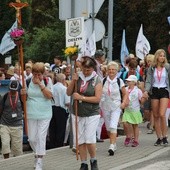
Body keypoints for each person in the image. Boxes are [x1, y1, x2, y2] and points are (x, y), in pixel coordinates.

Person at [67, 56, 102, 170]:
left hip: (92, 112)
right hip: (77, 112)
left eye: (89, 70)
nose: (86, 72)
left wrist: (81, 97)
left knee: (89, 138)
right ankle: (83, 163)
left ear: (93, 69)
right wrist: (73, 80)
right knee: (80, 139)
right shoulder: (78, 77)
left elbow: (97, 98)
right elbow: (68, 93)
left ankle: (93, 160)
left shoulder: (97, 79)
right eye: (84, 70)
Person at [24, 62, 53, 170]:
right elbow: (25, 97)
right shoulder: (27, 82)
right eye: (35, 74)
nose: (36, 76)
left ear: (42, 73)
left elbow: (50, 96)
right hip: (31, 112)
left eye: (39, 74)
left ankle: (40, 160)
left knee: (41, 136)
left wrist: (41, 85)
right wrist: (23, 93)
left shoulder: (47, 81)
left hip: (45, 112)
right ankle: (37, 154)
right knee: (31, 138)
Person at [100, 61, 128, 156]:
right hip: (105, 106)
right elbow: (99, 92)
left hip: (116, 106)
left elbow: (125, 93)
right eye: (110, 69)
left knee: (113, 125)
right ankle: (114, 142)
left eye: (113, 70)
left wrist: (124, 103)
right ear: (107, 71)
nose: (111, 71)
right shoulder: (103, 81)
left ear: (116, 71)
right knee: (108, 127)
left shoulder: (120, 81)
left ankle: (111, 146)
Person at [144, 49, 169, 146]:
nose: (162, 57)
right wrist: (146, 90)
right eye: (160, 55)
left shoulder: (167, 67)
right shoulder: (152, 68)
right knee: (156, 115)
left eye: (163, 56)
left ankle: (165, 136)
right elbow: (149, 80)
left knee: (162, 114)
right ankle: (159, 137)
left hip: (164, 91)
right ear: (157, 57)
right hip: (154, 91)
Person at [0, 80, 23, 159]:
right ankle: (7, 161)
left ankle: (16, 163)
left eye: (14, 90)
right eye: (11, 89)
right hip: (4, 124)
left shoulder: (21, 96)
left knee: (17, 149)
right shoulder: (5, 96)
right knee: (5, 144)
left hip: (17, 125)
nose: (12, 91)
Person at [122, 75, 144, 147]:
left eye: (130, 81)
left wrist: (143, 100)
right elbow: (123, 97)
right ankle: (128, 136)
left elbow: (141, 100)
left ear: (134, 82)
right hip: (127, 110)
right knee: (125, 123)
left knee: (135, 125)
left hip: (135, 110)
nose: (128, 82)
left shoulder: (138, 91)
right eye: (127, 81)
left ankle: (136, 140)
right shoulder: (125, 89)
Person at [49, 73, 70, 148]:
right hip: (61, 109)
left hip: (52, 108)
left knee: (52, 127)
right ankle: (59, 144)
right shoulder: (64, 89)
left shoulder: (52, 87)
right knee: (61, 128)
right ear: (63, 80)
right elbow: (67, 102)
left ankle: (52, 143)